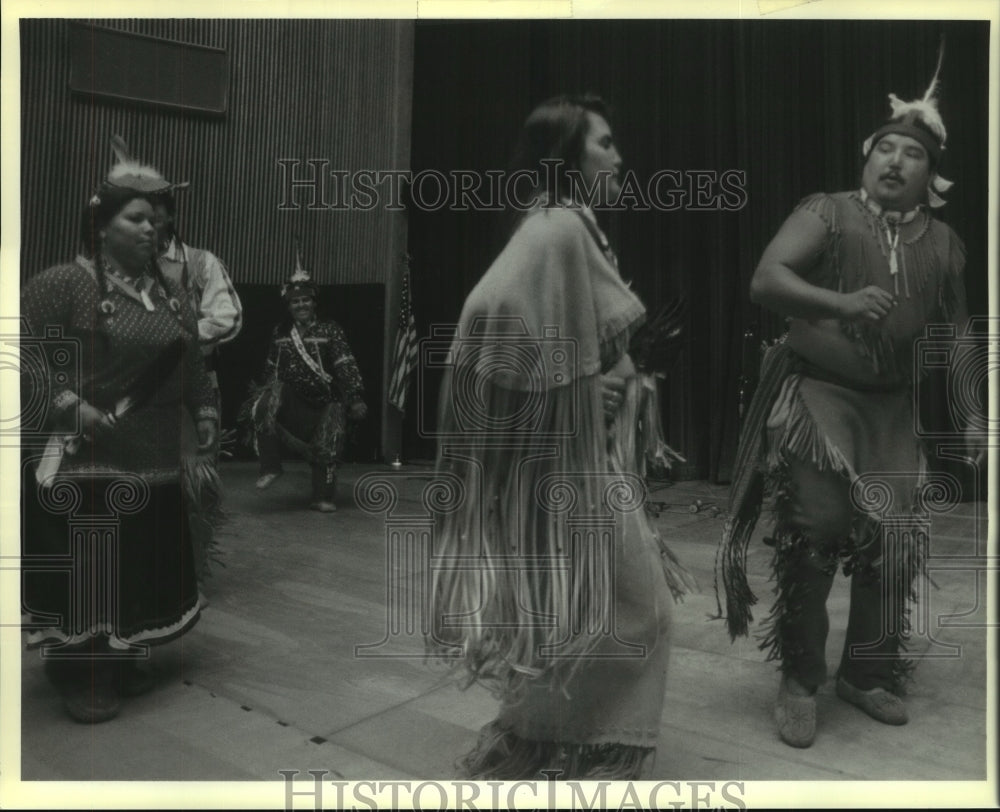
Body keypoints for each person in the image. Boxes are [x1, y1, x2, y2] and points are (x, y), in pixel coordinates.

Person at [427, 95, 693, 780]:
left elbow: (577, 338)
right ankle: (591, 745)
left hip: (576, 459)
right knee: (640, 608)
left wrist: (600, 375)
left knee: (585, 606)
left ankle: (545, 739)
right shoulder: (558, 228)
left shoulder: (568, 225)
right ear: (568, 156)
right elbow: (483, 317)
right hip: (565, 462)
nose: (619, 156)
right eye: (604, 143)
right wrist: (572, 390)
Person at [717, 56, 979, 748]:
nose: (896, 160)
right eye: (886, 147)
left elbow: (954, 335)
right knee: (817, 528)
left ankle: (866, 673)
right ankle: (801, 677)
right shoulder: (826, 212)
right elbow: (766, 279)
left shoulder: (946, 244)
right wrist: (841, 302)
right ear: (867, 157)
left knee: (892, 542)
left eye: (913, 154)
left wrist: (977, 410)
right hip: (820, 401)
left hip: (891, 410)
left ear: (933, 174)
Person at [20, 156, 218, 724]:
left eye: (156, 220)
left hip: (153, 461)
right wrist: (69, 405)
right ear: (101, 226)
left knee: (138, 567)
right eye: (136, 218)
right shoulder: (65, 284)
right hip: (89, 464)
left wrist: (201, 406)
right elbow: (26, 354)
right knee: (95, 570)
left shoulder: (174, 294)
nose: (152, 228)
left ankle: (122, 654)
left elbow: (191, 359)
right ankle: (86, 673)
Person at [246, 259, 367, 512]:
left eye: (305, 300)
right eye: (295, 301)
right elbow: (270, 369)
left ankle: (322, 495)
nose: (301, 305)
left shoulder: (330, 329)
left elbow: (345, 363)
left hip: (326, 403)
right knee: (266, 400)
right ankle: (270, 466)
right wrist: (262, 396)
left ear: (314, 303)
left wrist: (355, 397)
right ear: (288, 305)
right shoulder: (280, 333)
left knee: (329, 442)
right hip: (292, 403)